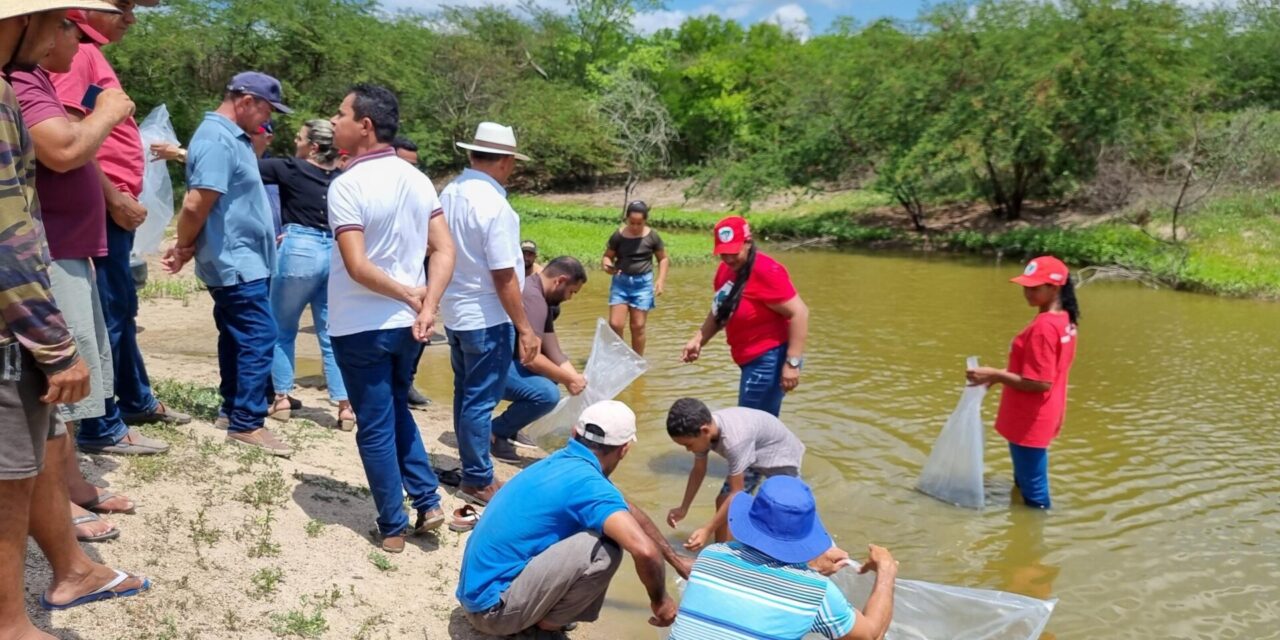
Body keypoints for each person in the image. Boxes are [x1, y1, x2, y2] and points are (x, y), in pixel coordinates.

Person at [1, 5, 153, 637]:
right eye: (65, 23)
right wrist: (55, 344)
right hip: (14, 319)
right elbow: (8, 234)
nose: (75, 36)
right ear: (26, 21)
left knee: (23, 458)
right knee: (9, 480)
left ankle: (68, 572)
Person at [50, 2, 192, 457]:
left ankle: (133, 399)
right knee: (108, 310)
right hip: (101, 208)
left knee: (121, 306)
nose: (131, 17)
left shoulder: (90, 51)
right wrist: (113, 196)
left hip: (109, 207)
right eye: (123, 6)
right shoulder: (77, 52)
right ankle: (99, 424)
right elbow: (69, 135)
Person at [325, 84, 456, 552]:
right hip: (408, 328)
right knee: (395, 409)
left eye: (340, 113)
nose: (333, 121)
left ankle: (392, 525)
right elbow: (444, 250)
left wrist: (411, 295)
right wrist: (426, 304)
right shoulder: (418, 180)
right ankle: (427, 498)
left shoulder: (346, 185)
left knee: (376, 424)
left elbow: (357, 267)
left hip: (361, 326)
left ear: (365, 125)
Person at [457, 401, 687, 638]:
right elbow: (645, 552)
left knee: (602, 527)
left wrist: (676, 561)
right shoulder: (588, 484)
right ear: (625, 449)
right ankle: (545, 628)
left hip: (477, 595)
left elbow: (628, 510)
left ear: (575, 433)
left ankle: (541, 614)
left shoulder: (562, 462)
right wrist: (661, 601)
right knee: (606, 548)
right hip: (492, 612)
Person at [161, 71, 291, 455]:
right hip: (237, 260)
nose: (267, 120)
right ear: (246, 101)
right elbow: (196, 202)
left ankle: (232, 409)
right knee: (258, 336)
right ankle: (247, 422)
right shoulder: (218, 138)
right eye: (266, 110)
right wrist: (183, 246)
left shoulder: (230, 138)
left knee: (237, 335)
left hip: (244, 258)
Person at [440, 121, 540, 507]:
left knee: (465, 394)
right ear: (507, 162)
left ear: (471, 154)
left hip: (456, 311)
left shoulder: (449, 193)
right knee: (479, 401)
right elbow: (504, 277)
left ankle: (473, 468)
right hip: (486, 315)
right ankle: (478, 478)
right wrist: (526, 328)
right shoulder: (496, 206)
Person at [668, 476, 897, 640]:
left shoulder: (711, 557)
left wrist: (809, 566)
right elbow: (871, 634)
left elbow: (761, 580)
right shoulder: (817, 592)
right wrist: (886, 571)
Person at [253, 119, 355, 429]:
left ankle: (282, 398)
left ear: (312, 146)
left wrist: (181, 154)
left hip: (299, 247)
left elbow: (241, 165)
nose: (295, 142)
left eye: (299, 137)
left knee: (282, 328)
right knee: (330, 333)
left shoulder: (290, 168)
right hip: (335, 251)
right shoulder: (342, 177)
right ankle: (345, 407)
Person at [966, 256, 1080, 509]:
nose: (1027, 292)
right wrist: (996, 377)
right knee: (1025, 479)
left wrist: (994, 374)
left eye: (1034, 287)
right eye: (1025, 286)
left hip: (1031, 418)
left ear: (1055, 287)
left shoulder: (1043, 327)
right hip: (1048, 410)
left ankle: (1032, 538)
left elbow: (1039, 382)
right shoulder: (1065, 320)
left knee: (1035, 493)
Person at [682, 216, 809, 417]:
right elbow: (721, 310)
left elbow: (799, 313)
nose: (729, 258)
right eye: (723, 253)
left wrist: (792, 364)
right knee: (755, 424)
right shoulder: (726, 270)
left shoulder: (766, 270)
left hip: (771, 358)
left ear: (748, 243)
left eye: (734, 252)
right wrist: (699, 339)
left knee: (751, 423)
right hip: (749, 357)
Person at [663, 397, 806, 549]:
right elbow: (699, 470)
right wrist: (684, 508)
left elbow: (736, 495)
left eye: (688, 445)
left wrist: (707, 529)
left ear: (704, 431)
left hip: (780, 455)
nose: (688, 450)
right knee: (723, 500)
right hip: (752, 453)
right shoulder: (704, 432)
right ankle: (723, 553)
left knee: (789, 509)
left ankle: (806, 551)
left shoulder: (734, 442)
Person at [490, 256, 589, 462]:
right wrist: (568, 380)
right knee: (547, 394)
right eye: (572, 291)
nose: (570, 298)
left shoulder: (541, 297)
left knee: (553, 377)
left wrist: (576, 378)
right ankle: (496, 432)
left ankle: (511, 426)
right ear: (560, 281)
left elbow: (554, 351)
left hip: (504, 363)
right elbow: (530, 359)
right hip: (491, 366)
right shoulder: (535, 299)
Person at [603, 200, 668, 356]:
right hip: (621, 282)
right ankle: (620, 357)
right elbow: (607, 257)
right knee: (615, 324)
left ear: (645, 220)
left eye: (639, 223)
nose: (635, 227)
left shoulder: (652, 237)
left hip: (643, 284)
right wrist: (608, 267)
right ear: (626, 219)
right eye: (632, 222)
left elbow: (663, 259)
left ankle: (637, 360)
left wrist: (660, 280)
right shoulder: (618, 236)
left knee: (637, 326)